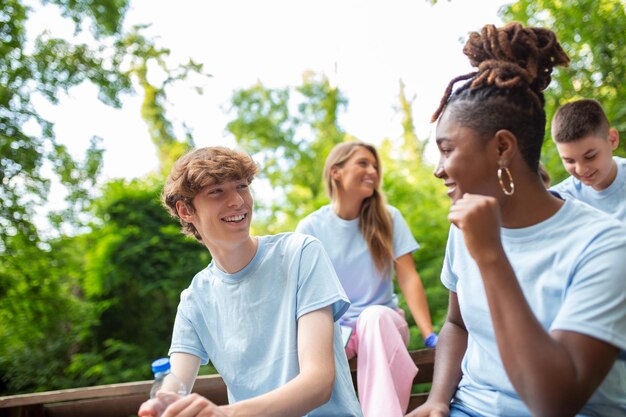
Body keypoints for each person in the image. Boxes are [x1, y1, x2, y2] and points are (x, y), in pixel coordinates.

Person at [407, 22, 626, 417]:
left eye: (447, 150)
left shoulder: (605, 245)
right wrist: (438, 401)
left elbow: (554, 402)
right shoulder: (466, 226)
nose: (439, 170)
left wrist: (491, 256)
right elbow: (457, 324)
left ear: (503, 147)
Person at [138, 147, 363, 417]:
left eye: (241, 186)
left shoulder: (300, 253)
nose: (237, 201)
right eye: (216, 191)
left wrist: (227, 414)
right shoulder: (195, 299)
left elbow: (318, 383)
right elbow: (178, 380)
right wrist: (164, 400)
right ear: (186, 210)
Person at [296, 141, 437, 417]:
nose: (372, 170)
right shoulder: (311, 227)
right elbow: (303, 294)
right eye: (363, 163)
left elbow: (408, 278)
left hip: (384, 324)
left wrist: (428, 333)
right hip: (337, 332)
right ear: (336, 171)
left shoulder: (388, 218)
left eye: (374, 165)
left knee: (373, 317)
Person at [550, 98, 625, 223]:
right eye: (569, 161)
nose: (581, 169)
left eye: (590, 156)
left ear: (612, 139)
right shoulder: (560, 199)